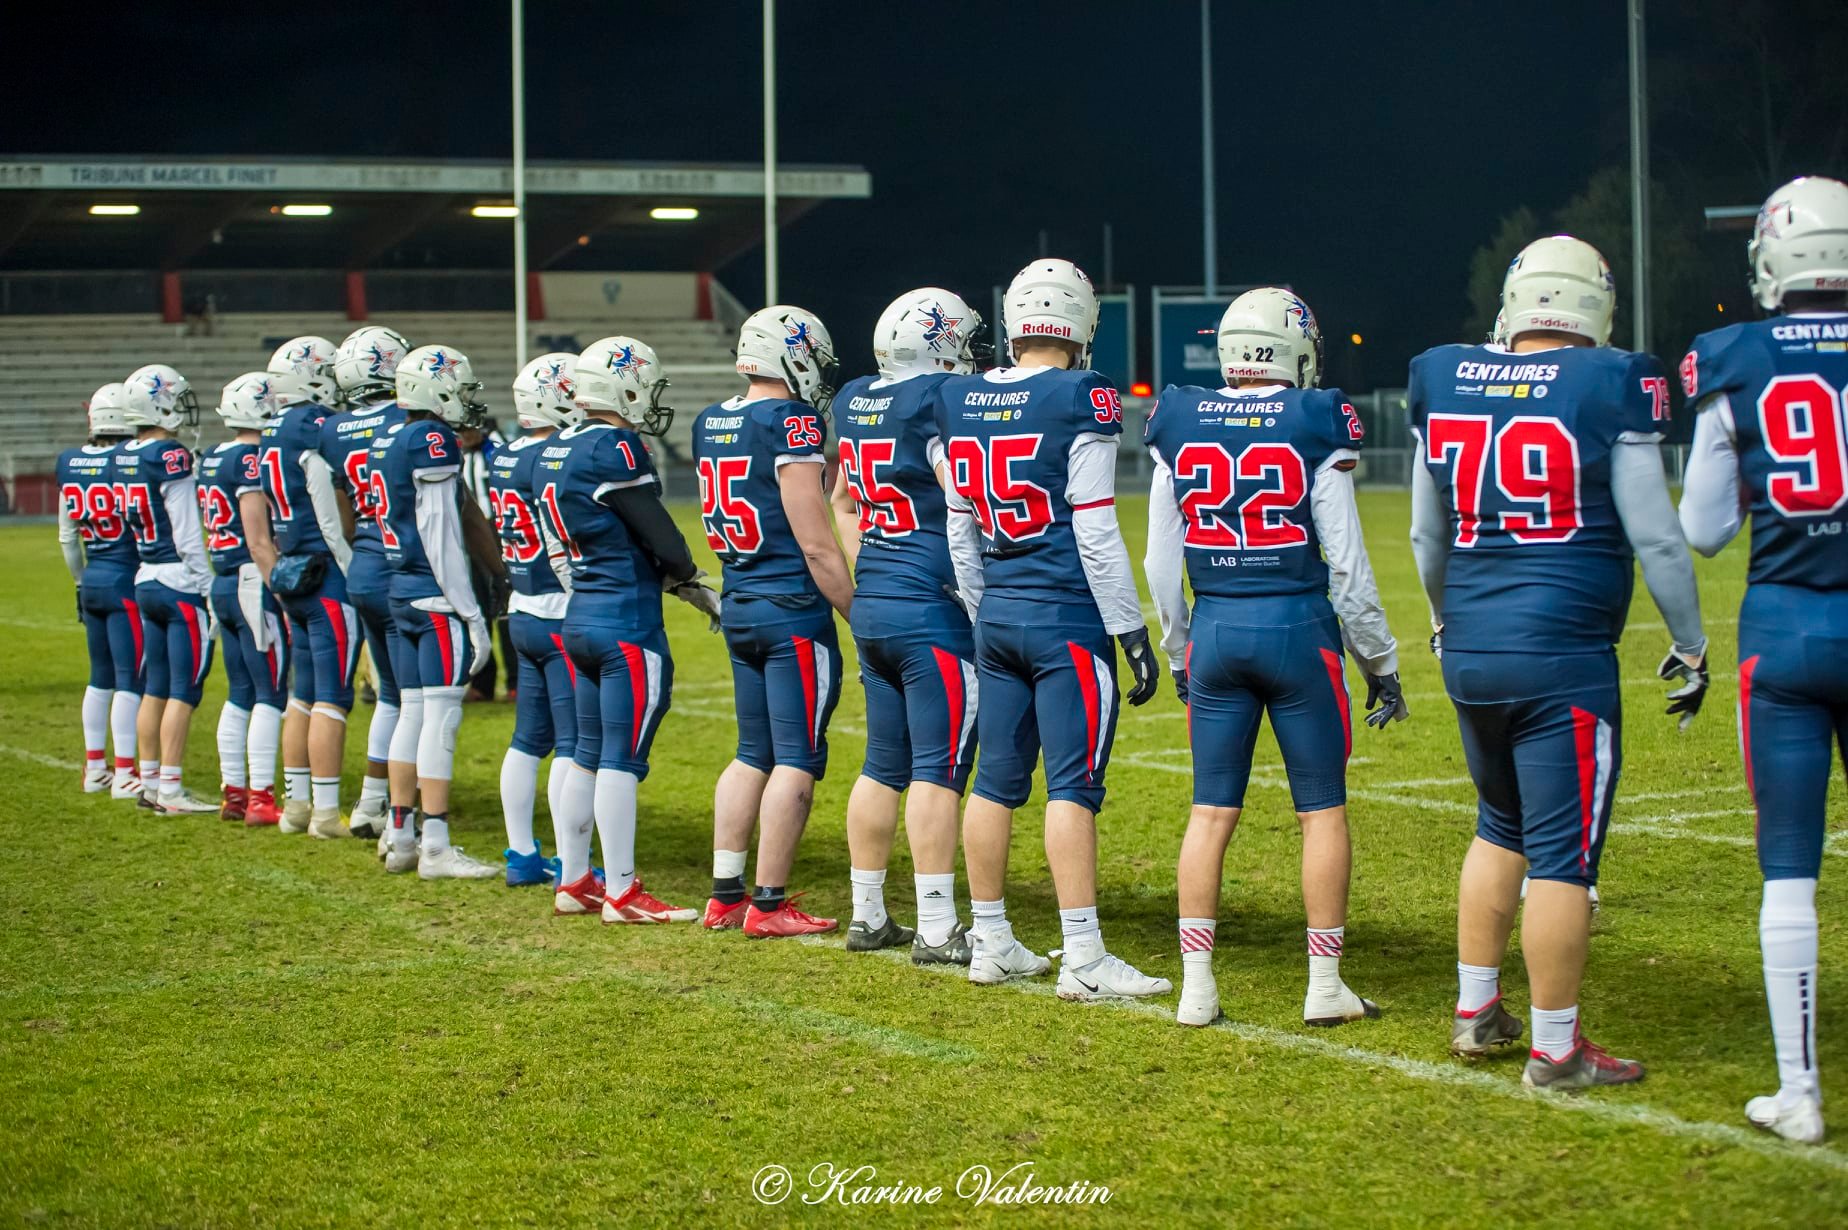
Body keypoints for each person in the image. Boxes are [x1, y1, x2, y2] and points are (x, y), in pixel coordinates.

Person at [1409, 234, 1708, 1090]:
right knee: (1564, 860)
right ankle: (1555, 1046)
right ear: (1595, 306)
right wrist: (1689, 641)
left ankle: (1475, 1010)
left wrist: (1442, 615)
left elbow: (1430, 534)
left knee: (1497, 824)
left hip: (1472, 645)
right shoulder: (1611, 381)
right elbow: (1657, 535)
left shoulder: (1448, 374)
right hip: (1561, 656)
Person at [1146, 287, 1406, 1029]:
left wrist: (1178, 645)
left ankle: (1197, 988)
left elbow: (1163, 563)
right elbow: (1348, 566)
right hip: (1299, 631)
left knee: (1209, 812)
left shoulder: (1181, 417)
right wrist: (1379, 661)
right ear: (1293, 347)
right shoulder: (1314, 418)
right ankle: (1324, 986)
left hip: (1218, 633)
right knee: (1320, 813)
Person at [936, 258, 1168, 1000]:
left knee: (995, 784)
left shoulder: (961, 396)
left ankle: (992, 939)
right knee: (1073, 787)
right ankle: (1085, 958)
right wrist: (1130, 629)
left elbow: (959, 525)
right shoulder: (1082, 395)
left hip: (999, 613)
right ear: (1079, 324)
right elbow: (1096, 528)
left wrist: (980, 609)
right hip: (1065, 617)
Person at [1678, 175, 1848, 1143]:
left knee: (1789, 869)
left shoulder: (1734, 354)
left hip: (1783, 630)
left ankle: (1801, 1091)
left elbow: (1702, 529)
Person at [827, 288, 987, 962]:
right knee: (939, 770)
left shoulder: (854, 397)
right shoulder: (940, 402)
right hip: (931, 604)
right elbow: (965, 500)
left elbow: (843, 499)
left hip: (877, 601)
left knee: (882, 764)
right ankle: (937, 925)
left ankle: (867, 915)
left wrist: (874, 567)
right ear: (941, 340)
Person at [545, 336, 717, 922]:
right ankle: (620, 889)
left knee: (587, 754)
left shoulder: (560, 445)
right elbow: (663, 538)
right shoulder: (615, 446)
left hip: (581, 617)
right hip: (625, 625)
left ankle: (574, 880)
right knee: (619, 759)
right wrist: (690, 578)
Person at [693, 306, 852, 938]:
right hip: (790, 609)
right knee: (797, 758)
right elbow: (816, 543)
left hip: (740, 601)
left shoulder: (713, 419)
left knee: (750, 752)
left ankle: (724, 893)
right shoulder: (790, 421)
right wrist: (856, 611)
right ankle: (767, 903)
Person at [368, 344, 501, 879]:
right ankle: (436, 844)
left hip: (400, 589)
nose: (466, 397)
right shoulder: (431, 438)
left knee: (412, 713)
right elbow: (441, 533)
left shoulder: (393, 436)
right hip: (434, 594)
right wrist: (469, 611)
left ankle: (400, 836)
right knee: (439, 720)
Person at [244, 336, 355, 832]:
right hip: (325, 571)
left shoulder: (270, 430)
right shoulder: (315, 427)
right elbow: (328, 513)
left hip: (291, 570)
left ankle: (295, 806)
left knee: (301, 695)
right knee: (332, 696)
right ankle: (326, 811)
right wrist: (352, 565)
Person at [485, 355, 578, 888]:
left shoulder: (504, 454)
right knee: (572, 743)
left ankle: (521, 853)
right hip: (559, 609)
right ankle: (571, 860)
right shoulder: (553, 454)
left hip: (521, 607)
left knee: (526, 739)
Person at [113, 364, 217, 813]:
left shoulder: (122, 454)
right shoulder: (167, 455)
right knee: (183, 689)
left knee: (153, 686)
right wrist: (207, 583)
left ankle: (151, 781)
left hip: (146, 577)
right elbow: (188, 531)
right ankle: (170, 788)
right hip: (178, 580)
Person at [322, 325, 412, 838]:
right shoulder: (408, 420)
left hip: (364, 564)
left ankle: (371, 803)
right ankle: (403, 814)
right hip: (404, 567)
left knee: (393, 696)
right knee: (418, 699)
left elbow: (345, 517)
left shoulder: (333, 429)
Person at [200, 374, 291, 823]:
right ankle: (260, 796)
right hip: (250, 581)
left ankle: (234, 791)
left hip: (222, 581)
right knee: (270, 693)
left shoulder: (212, 455)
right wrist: (281, 587)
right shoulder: (251, 459)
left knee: (240, 691)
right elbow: (258, 539)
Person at [55, 382, 142, 797]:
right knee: (129, 678)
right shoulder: (130, 461)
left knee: (99, 676)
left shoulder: (69, 462)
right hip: (127, 577)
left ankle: (95, 768)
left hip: (92, 577)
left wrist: (78, 579)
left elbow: (67, 538)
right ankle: (125, 773)